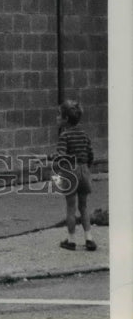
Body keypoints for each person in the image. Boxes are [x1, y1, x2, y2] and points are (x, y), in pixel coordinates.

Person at [52, 99, 96, 251]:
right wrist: (85, 168)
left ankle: (71, 241)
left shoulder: (64, 136)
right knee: (83, 207)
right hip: (84, 171)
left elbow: (61, 157)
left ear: (65, 119)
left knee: (71, 208)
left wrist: (56, 166)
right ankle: (89, 239)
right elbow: (91, 154)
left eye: (59, 115)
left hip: (70, 172)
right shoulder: (84, 135)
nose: (57, 118)